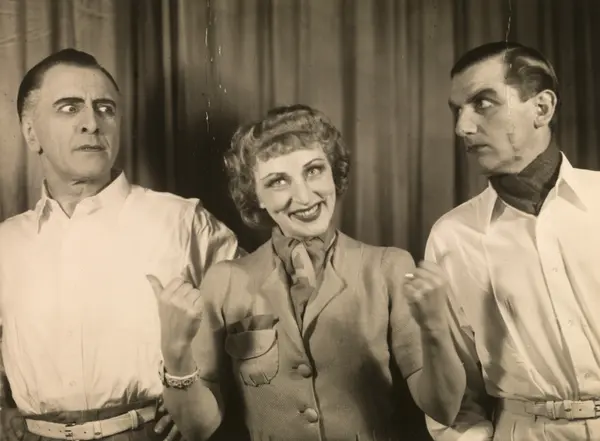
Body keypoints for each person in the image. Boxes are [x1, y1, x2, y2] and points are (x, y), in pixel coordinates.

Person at [146, 104, 466, 441]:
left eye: (313, 171)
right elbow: (198, 429)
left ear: (333, 174)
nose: (303, 196)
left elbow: (443, 409)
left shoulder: (389, 268)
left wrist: (434, 328)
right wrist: (175, 352)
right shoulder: (224, 282)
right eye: (278, 181)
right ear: (256, 196)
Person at [0, 48, 241, 441]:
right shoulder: (7, 243)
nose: (92, 123)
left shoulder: (183, 222)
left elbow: (255, 321)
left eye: (105, 109)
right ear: (30, 133)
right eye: (69, 108)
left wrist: (196, 393)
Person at [425, 41, 600, 441]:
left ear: (542, 108)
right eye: (457, 111)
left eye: (482, 103)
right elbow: (459, 398)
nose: (462, 128)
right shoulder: (452, 237)